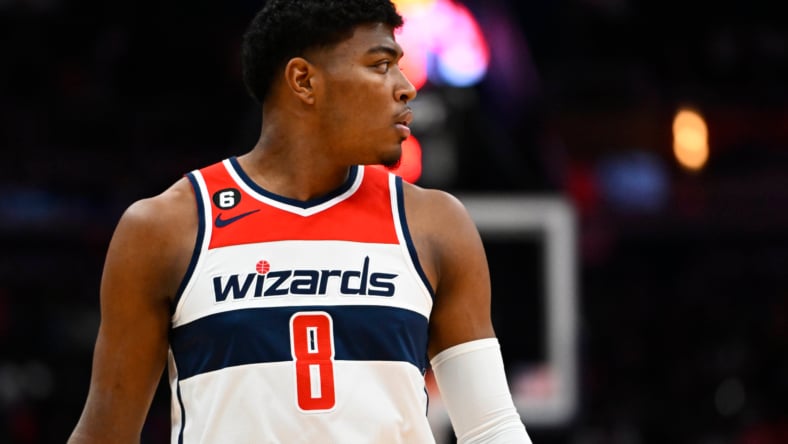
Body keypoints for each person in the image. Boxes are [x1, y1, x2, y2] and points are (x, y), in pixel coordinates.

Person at [68, 0, 532, 442]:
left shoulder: (434, 225)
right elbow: (105, 435)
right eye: (380, 65)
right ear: (304, 80)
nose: (406, 87)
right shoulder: (167, 227)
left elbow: (491, 430)